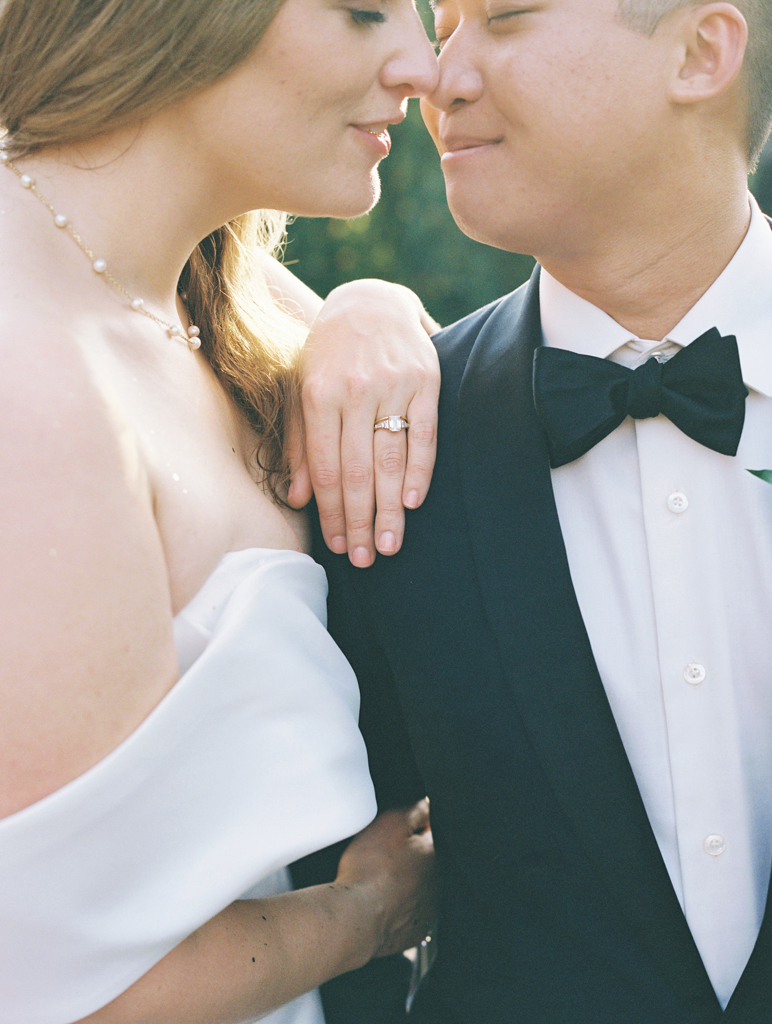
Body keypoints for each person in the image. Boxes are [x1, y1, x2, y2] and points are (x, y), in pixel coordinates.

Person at [313, 1, 772, 1021]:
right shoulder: (380, 450)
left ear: (701, 53)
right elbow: (332, 881)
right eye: (445, 26)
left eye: (505, 19)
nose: (438, 76)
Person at [0, 1, 442, 1022]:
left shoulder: (198, 299)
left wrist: (370, 307)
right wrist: (370, 909)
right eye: (363, 11)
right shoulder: (32, 384)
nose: (421, 64)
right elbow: (65, 988)